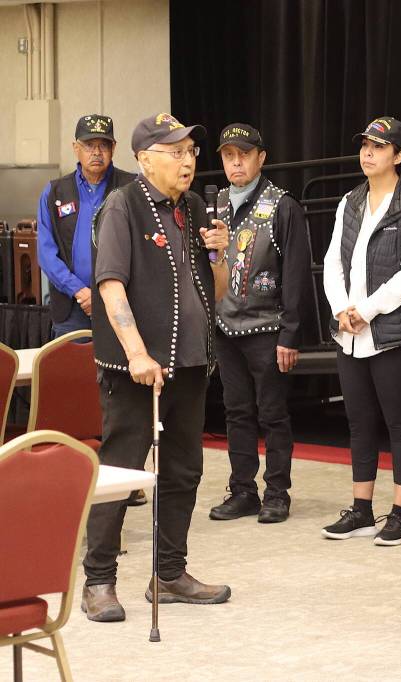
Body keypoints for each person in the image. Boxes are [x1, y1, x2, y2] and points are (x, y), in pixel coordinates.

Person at [81, 112, 231, 622]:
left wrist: (219, 257)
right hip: (136, 370)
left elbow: (217, 294)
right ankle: (98, 579)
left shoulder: (191, 208)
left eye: (191, 151)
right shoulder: (122, 206)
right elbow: (110, 285)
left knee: (184, 469)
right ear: (145, 159)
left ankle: (169, 573)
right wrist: (136, 352)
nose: (187, 161)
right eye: (175, 152)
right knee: (121, 473)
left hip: (189, 364)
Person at [321, 116, 401, 546]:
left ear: (399, 157)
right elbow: (334, 260)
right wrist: (340, 309)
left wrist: (367, 309)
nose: (368, 153)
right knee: (359, 422)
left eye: (379, 147)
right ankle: (362, 509)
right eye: (365, 145)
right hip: (349, 330)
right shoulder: (349, 202)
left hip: (396, 332)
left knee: (399, 422)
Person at [207, 123, 311, 524]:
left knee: (272, 413)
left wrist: (290, 333)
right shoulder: (213, 202)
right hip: (227, 327)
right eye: (229, 155)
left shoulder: (282, 204)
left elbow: (298, 275)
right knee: (236, 412)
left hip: (268, 327)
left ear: (260, 158)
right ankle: (243, 490)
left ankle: (277, 493)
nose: (236, 162)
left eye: (244, 154)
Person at [37, 115, 135, 337]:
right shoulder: (54, 192)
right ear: (76, 148)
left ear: (114, 148)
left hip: (123, 302)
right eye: (89, 145)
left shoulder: (131, 188)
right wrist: (80, 291)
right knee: (72, 371)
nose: (97, 152)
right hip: (72, 307)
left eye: (103, 145)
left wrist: (103, 295)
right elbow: (46, 253)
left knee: (120, 370)